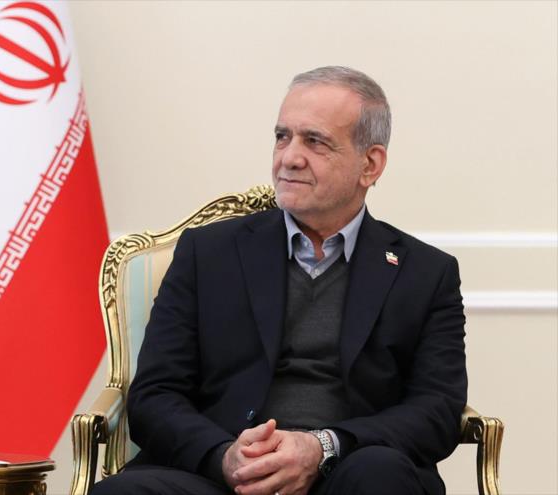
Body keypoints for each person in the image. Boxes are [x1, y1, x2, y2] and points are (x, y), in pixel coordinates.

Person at [91, 66, 467, 495]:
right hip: (218, 475)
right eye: (282, 136)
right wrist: (224, 456)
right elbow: (155, 395)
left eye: (315, 141)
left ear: (370, 163)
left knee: (380, 474)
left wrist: (323, 447)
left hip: (349, 472)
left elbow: (436, 409)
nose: (289, 157)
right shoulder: (207, 253)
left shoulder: (425, 272)